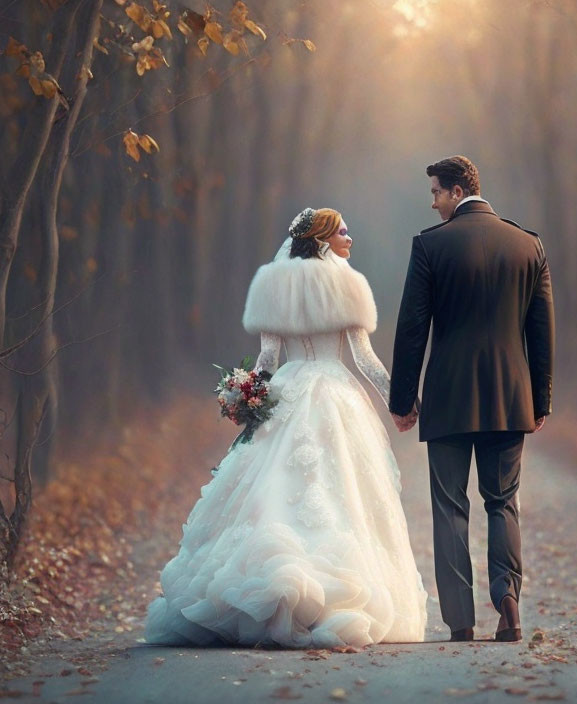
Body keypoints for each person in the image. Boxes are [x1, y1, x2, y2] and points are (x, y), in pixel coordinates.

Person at [144, 207, 427, 648]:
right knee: (340, 492)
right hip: (336, 394)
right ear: (321, 238)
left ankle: (269, 592)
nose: (350, 239)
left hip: (289, 391)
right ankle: (330, 599)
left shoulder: (275, 285)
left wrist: (248, 393)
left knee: (275, 486)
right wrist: (401, 402)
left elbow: (268, 362)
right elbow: (365, 360)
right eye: (343, 232)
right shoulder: (348, 284)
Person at [389, 156, 554, 643]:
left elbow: (412, 328)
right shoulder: (529, 246)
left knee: (449, 504)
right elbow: (541, 333)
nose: (434, 203)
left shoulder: (430, 246)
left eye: (437, 193)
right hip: (509, 396)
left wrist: (404, 398)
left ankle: (460, 618)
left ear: (458, 191)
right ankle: (509, 600)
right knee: (503, 502)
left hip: (449, 396)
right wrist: (540, 399)